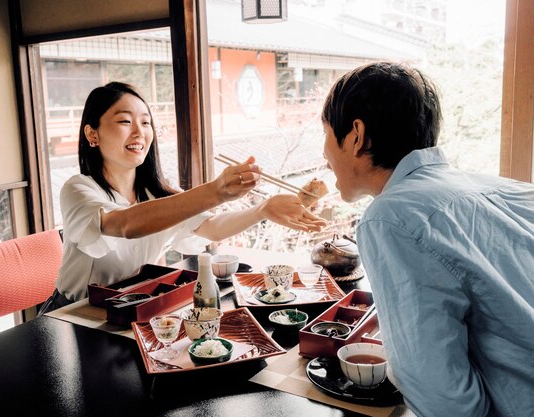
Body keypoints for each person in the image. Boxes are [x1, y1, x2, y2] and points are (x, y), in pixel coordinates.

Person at [320, 62, 534, 417]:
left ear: (356, 135)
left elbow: (446, 402)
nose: (324, 156)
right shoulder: (504, 189)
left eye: (325, 132)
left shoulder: (392, 217)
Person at [39, 81, 326, 313]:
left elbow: (211, 226)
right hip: (72, 314)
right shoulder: (78, 189)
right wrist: (215, 191)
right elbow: (123, 224)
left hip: (131, 309)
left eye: (147, 122)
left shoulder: (156, 195)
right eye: (125, 121)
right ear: (93, 133)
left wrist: (262, 210)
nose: (140, 132)